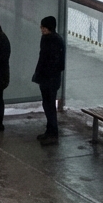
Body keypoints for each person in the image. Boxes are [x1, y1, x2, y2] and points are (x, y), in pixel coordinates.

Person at [31, 16, 66, 145]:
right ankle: (49, 131)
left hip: (51, 79)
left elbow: (57, 63)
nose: (41, 29)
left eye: (43, 27)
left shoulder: (56, 41)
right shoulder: (46, 39)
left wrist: (46, 74)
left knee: (50, 106)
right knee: (47, 105)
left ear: (49, 27)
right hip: (45, 78)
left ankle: (53, 133)